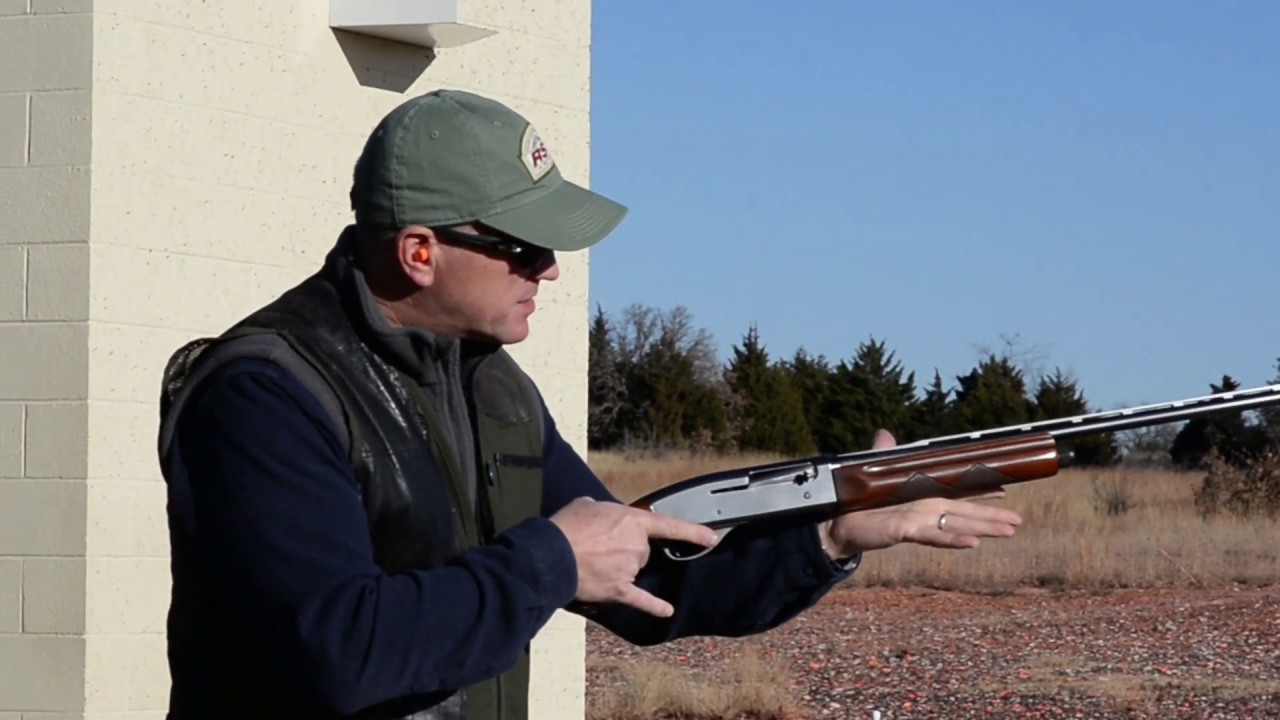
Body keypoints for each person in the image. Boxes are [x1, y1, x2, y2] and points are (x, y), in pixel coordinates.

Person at [155, 89, 1022, 720]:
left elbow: (642, 578)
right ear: (420, 251)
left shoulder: (491, 388)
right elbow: (338, 650)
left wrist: (831, 529)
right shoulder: (264, 395)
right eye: (526, 248)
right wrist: (547, 562)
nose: (552, 271)